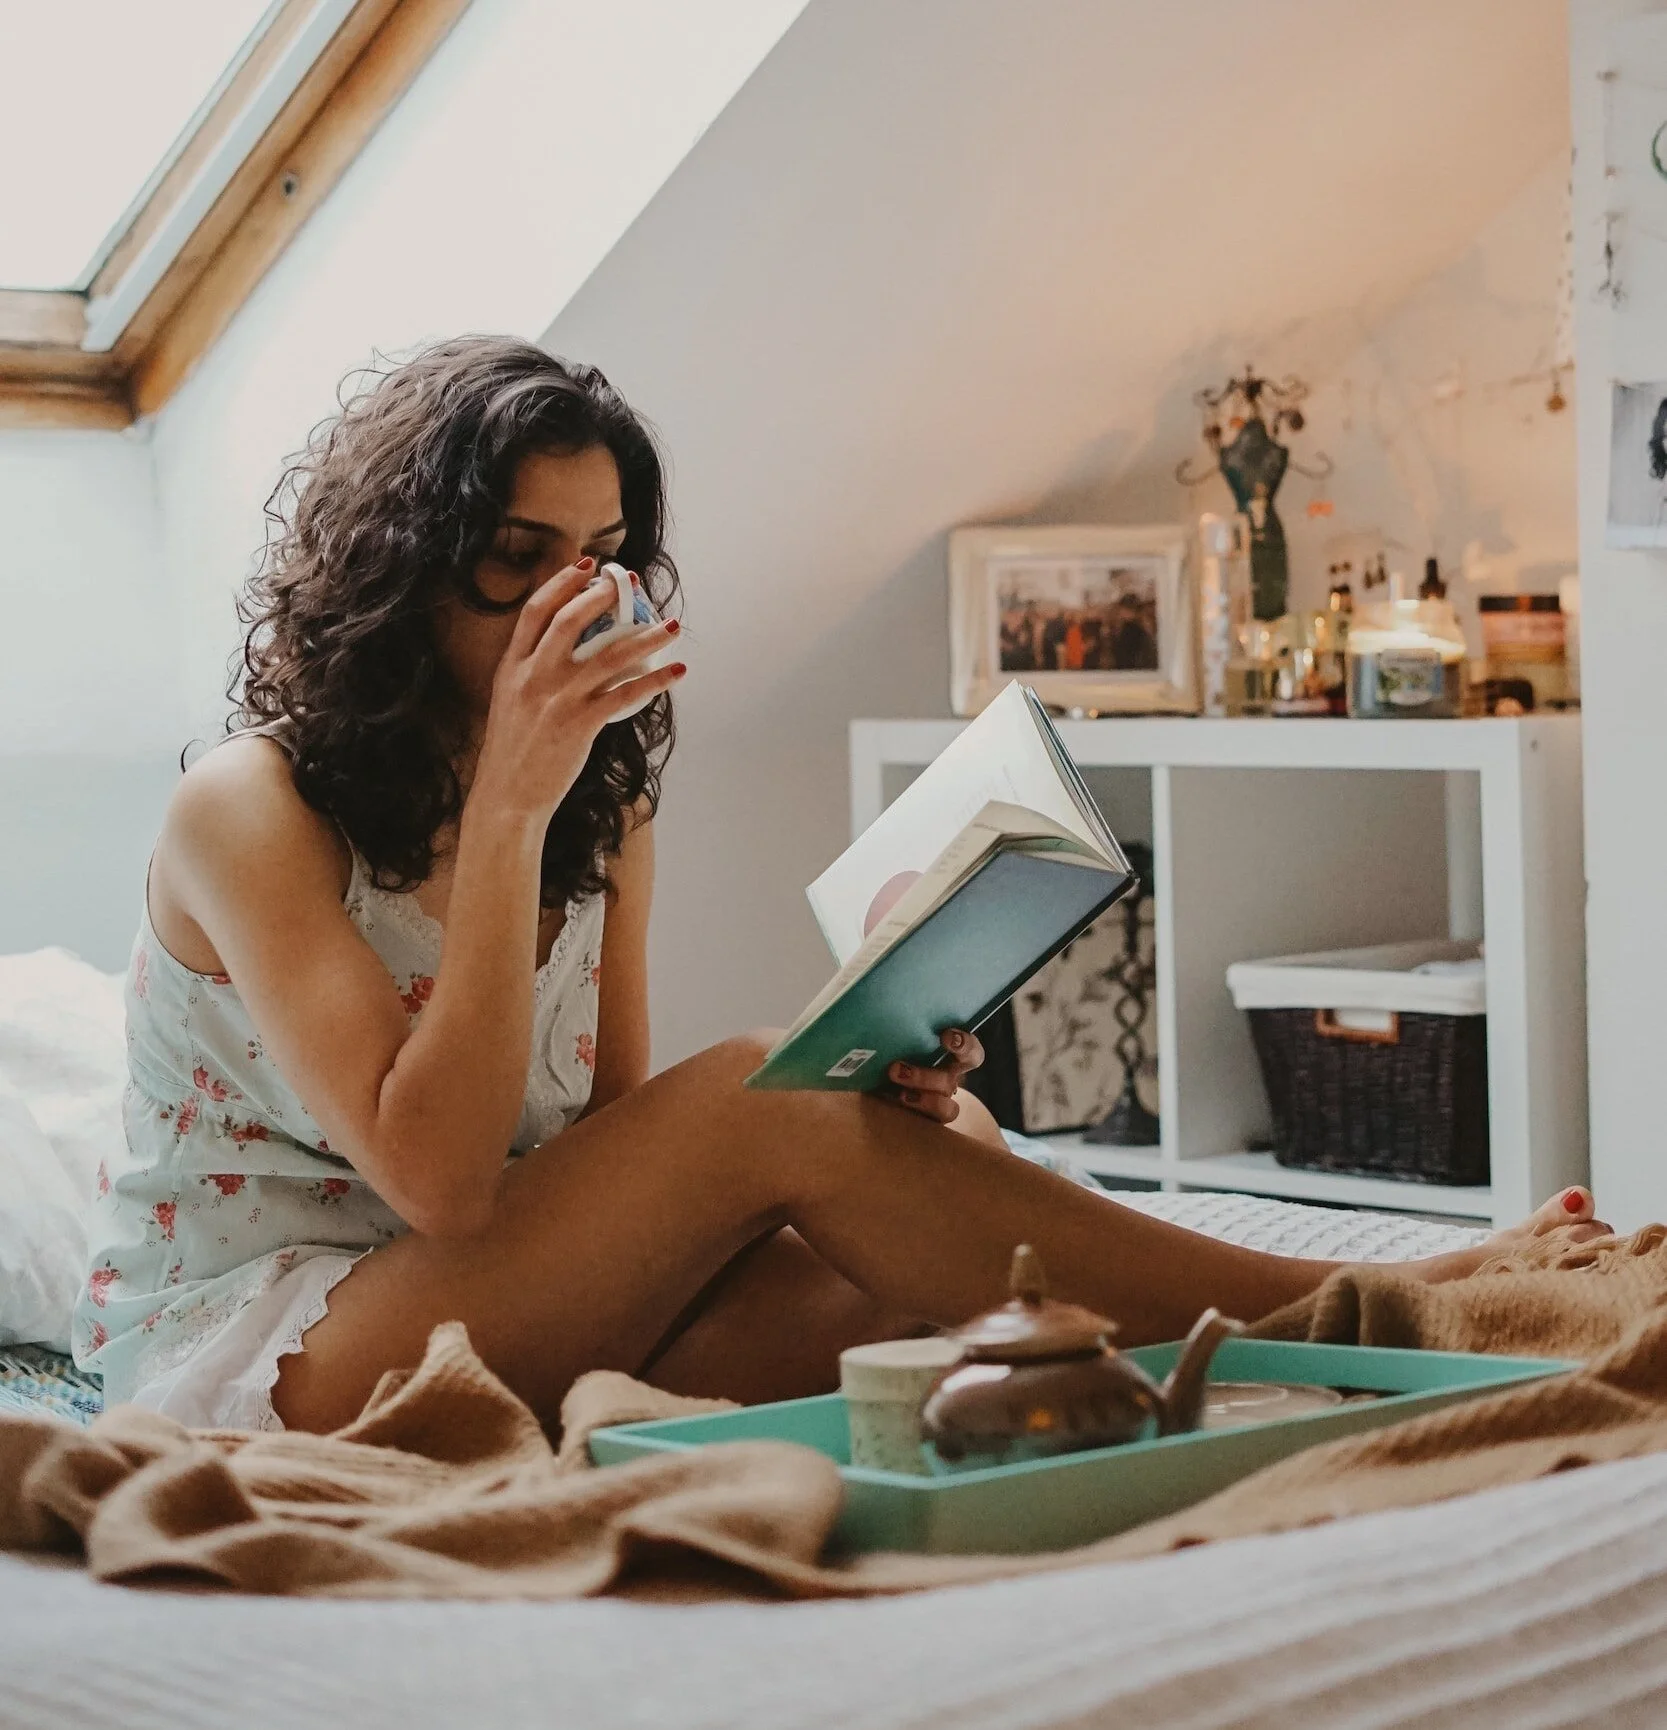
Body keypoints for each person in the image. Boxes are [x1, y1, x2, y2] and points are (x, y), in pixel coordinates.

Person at [72, 337, 1609, 1436]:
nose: (572, 598)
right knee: (764, 1093)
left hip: (481, 1292)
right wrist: (506, 815)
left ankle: (1280, 1324)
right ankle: (1350, 1306)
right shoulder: (253, 808)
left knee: (921, 1246)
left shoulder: (603, 797)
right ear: (402, 567)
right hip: (281, 1340)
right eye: (517, 553)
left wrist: (871, 1088)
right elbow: (446, 1182)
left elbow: (596, 1158)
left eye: (602, 554)